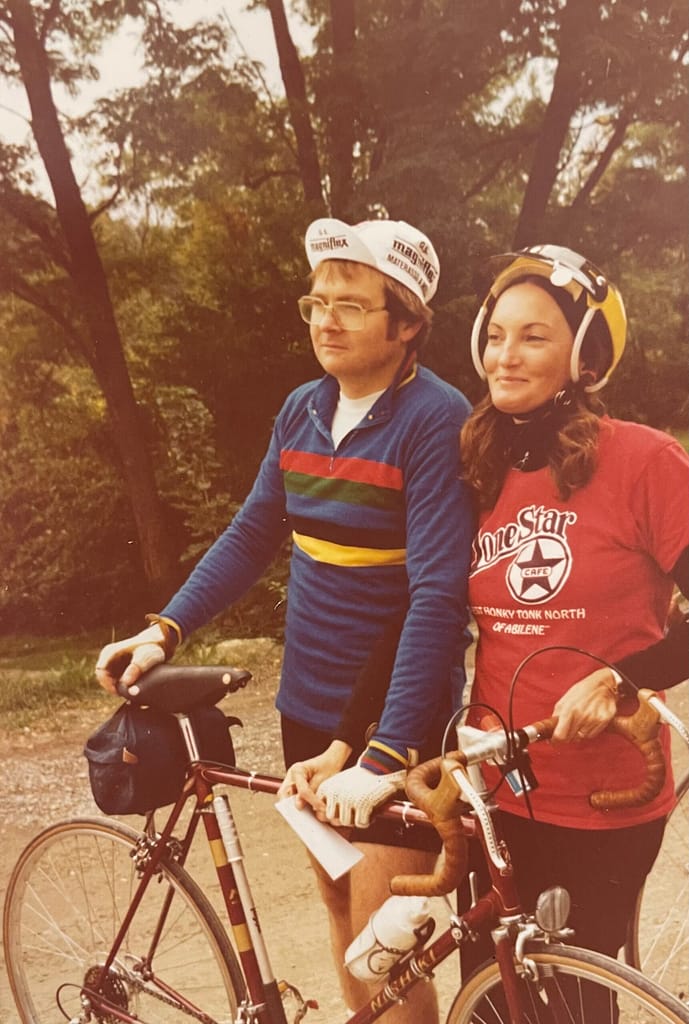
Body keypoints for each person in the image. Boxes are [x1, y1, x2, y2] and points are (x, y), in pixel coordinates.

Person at [96, 217, 474, 1022]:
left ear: (406, 324)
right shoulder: (303, 407)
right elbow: (251, 534)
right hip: (307, 708)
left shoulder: (434, 418)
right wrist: (164, 630)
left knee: (385, 943)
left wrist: (384, 751)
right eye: (316, 302)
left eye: (351, 305)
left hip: (399, 716)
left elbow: (438, 596)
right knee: (340, 913)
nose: (325, 320)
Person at [457, 243, 689, 973]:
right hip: (494, 787)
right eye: (496, 335)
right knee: (491, 995)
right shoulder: (476, 466)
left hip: (606, 793)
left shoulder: (645, 462)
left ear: (583, 358)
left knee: (574, 999)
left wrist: (620, 678)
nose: (506, 356)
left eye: (533, 337)